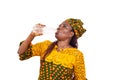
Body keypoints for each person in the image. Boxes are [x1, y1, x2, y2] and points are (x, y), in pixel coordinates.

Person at [17, 18, 87, 80]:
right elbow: (21, 52)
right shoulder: (46, 45)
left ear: (71, 34)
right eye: (59, 26)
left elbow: (80, 78)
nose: (59, 28)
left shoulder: (77, 55)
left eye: (64, 26)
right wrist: (32, 35)